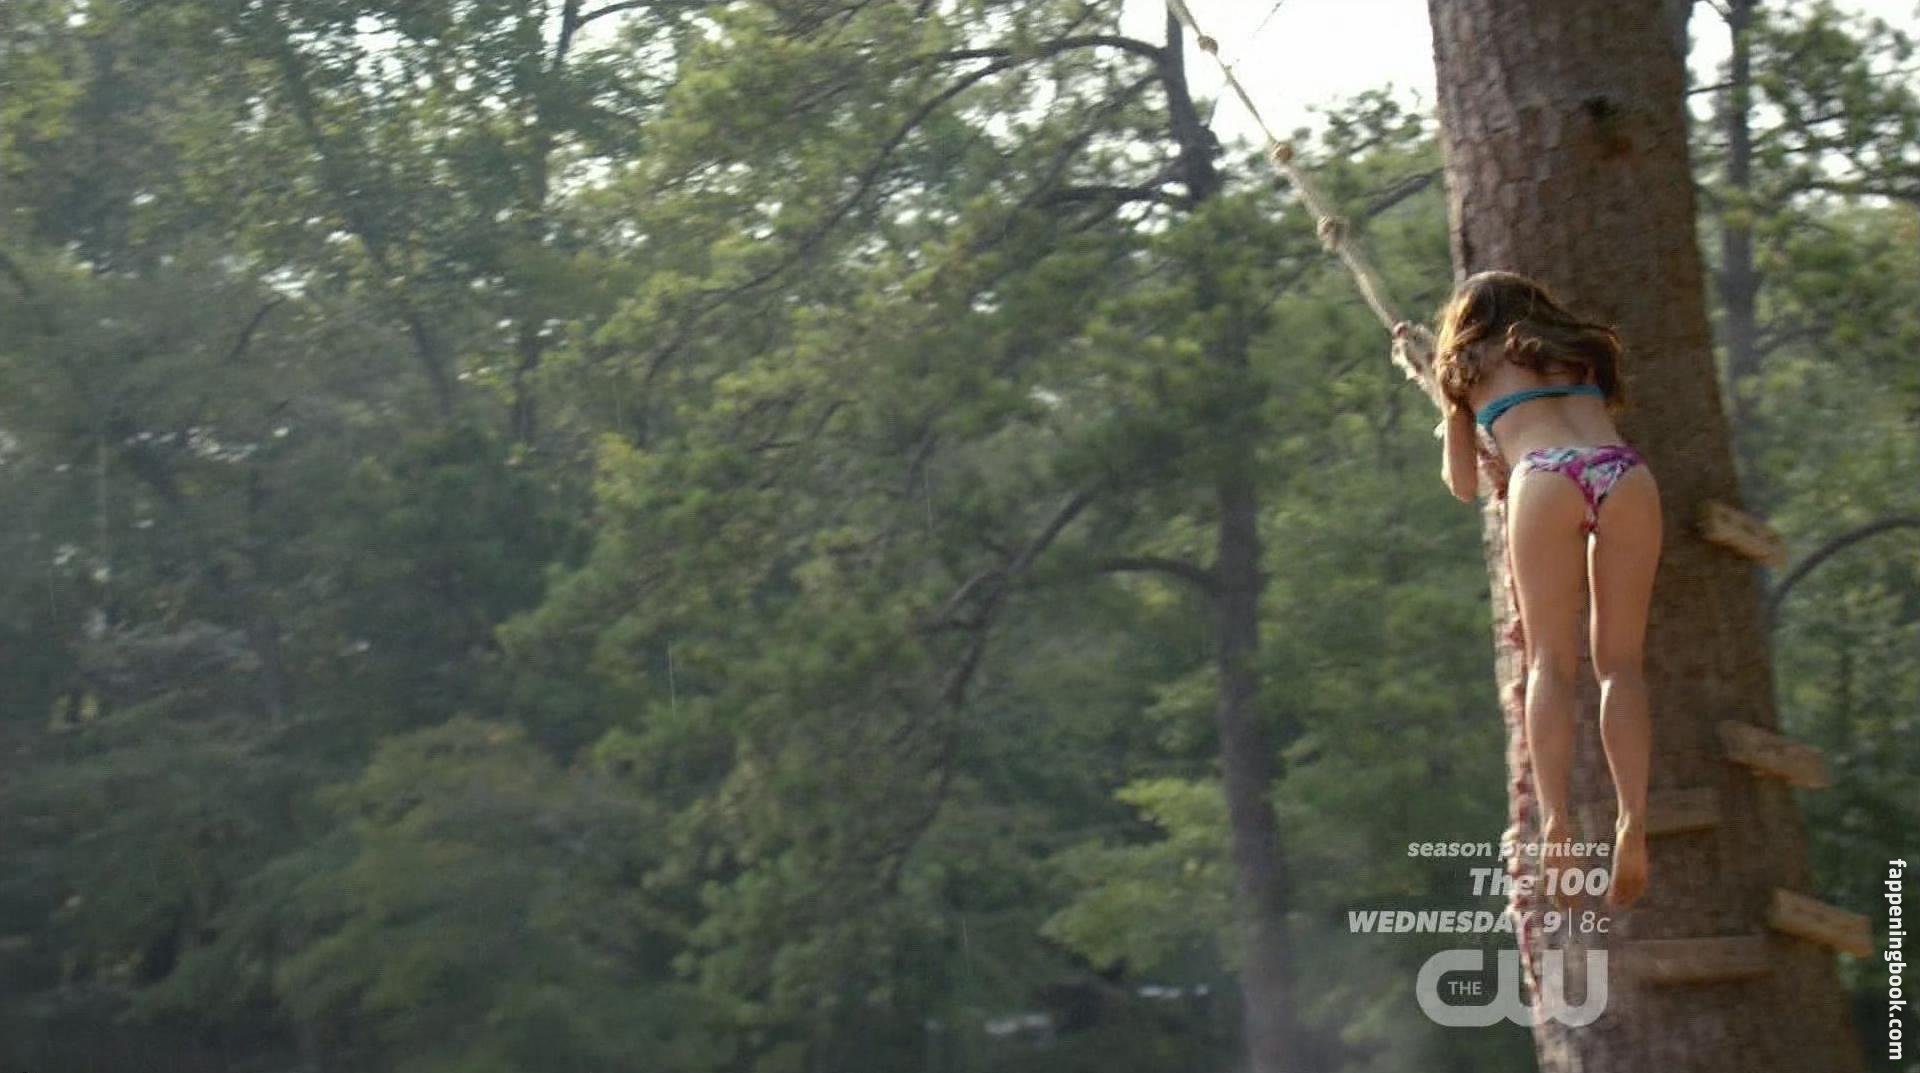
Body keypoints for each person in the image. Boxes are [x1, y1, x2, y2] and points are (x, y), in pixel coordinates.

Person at [1412, 270, 1662, 910]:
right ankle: (1632, 817)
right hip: (1622, 473)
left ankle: (1557, 823)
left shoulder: (1465, 367)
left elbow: (1463, 484)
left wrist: (1453, 414)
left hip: (1545, 476)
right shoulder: (1579, 350)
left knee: (1550, 662)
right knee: (1621, 666)